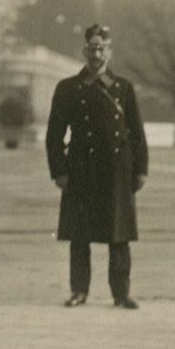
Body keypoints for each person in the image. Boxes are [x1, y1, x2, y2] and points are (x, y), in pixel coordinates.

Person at [46, 24, 148, 309]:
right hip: (81, 169)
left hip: (117, 170)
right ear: (84, 51)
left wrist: (141, 170)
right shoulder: (67, 88)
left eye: (102, 48)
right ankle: (79, 291)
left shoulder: (124, 88)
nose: (97, 54)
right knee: (80, 235)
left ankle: (121, 293)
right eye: (92, 48)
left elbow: (137, 133)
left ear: (110, 53)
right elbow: (54, 135)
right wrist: (60, 171)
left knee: (120, 235)